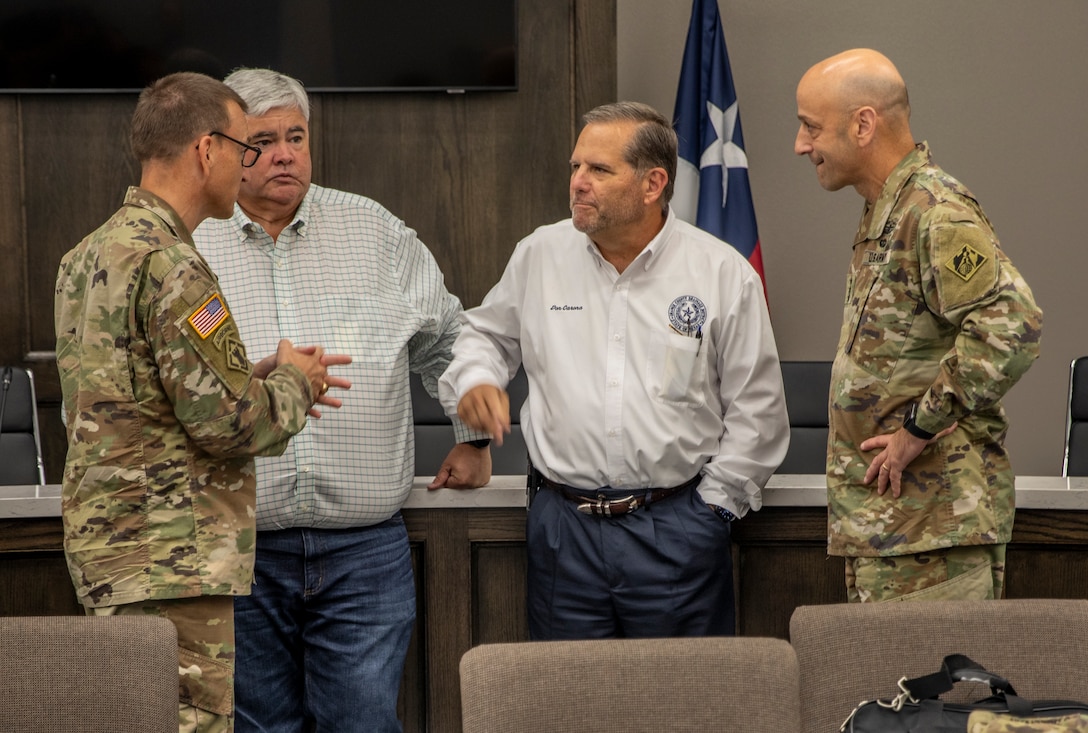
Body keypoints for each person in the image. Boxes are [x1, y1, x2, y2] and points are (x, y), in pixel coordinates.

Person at [192, 68, 491, 733]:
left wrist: (473, 437)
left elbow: (448, 338)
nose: (284, 154)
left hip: (362, 552)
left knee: (361, 723)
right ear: (221, 149)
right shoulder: (190, 245)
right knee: (256, 728)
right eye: (261, 141)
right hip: (237, 548)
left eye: (296, 137)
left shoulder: (374, 232)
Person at [54, 72, 346, 733]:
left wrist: (250, 374)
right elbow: (230, 424)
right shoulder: (174, 266)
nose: (250, 163)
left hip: (111, 554)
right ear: (205, 150)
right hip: (173, 566)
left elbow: (144, 397)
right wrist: (294, 381)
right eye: (245, 147)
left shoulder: (87, 255)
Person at [439, 101, 789, 639]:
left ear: (653, 184)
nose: (578, 182)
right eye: (576, 167)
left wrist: (712, 513)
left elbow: (758, 411)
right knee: (569, 704)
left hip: (675, 527)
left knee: (681, 708)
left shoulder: (721, 273)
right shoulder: (540, 254)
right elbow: (483, 335)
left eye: (599, 170)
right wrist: (477, 380)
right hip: (563, 527)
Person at [793, 49, 1043, 602]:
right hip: (891, 530)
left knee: (939, 690)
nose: (800, 145)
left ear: (863, 123)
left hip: (934, 531)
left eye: (810, 127)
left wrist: (919, 429)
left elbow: (1011, 323)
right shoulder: (886, 211)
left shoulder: (935, 210)